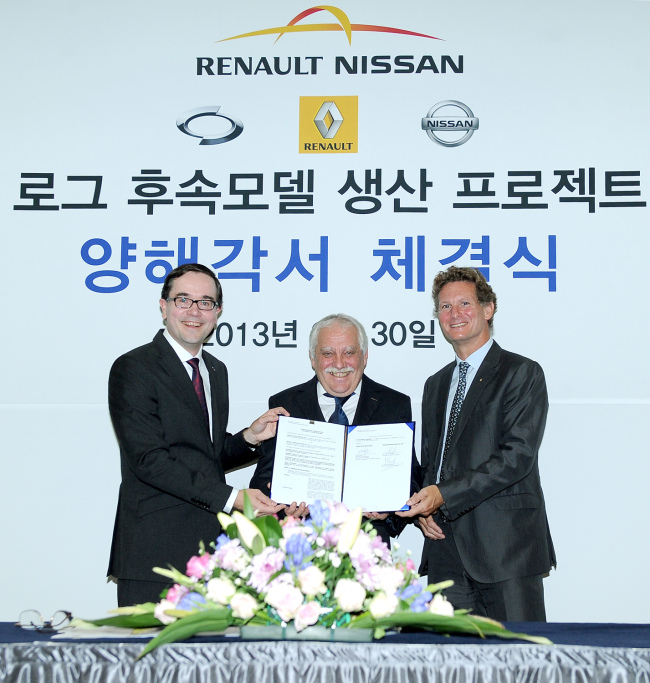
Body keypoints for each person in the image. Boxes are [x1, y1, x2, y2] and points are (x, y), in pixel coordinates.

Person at [107, 263, 287, 606]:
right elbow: (150, 461)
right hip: (154, 554)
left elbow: (204, 455)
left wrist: (249, 437)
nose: (194, 311)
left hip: (213, 553)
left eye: (205, 302)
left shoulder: (215, 370)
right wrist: (234, 498)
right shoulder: (134, 368)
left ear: (217, 312)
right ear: (163, 306)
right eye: (182, 300)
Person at [398, 266, 555, 621]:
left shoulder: (521, 372)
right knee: (451, 666)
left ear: (488, 309)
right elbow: (432, 461)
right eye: (445, 307)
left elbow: (517, 457)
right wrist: (425, 505)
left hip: (505, 549)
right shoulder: (435, 384)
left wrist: (443, 494)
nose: (455, 314)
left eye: (465, 303)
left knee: (520, 664)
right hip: (444, 549)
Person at [249, 313, 420, 544]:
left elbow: (411, 478)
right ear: (312, 358)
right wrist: (282, 506)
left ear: (364, 356)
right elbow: (262, 481)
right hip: (300, 547)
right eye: (327, 354)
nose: (339, 364)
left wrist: (389, 509)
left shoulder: (394, 404)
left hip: (369, 549)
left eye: (349, 353)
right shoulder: (286, 404)